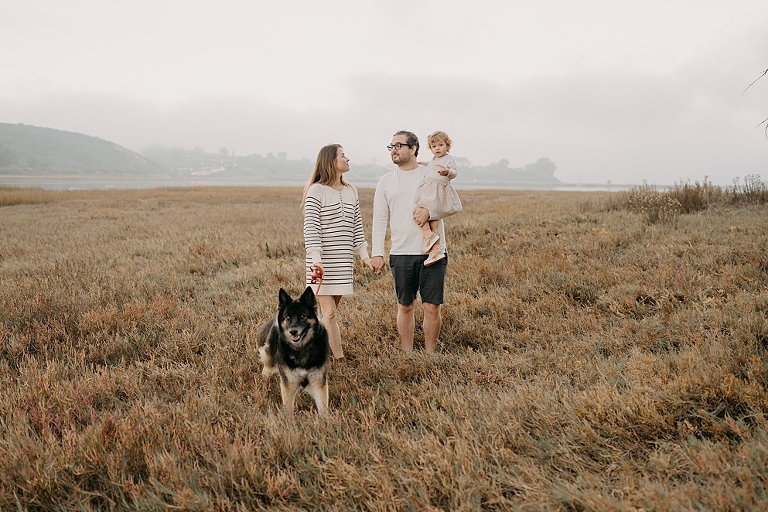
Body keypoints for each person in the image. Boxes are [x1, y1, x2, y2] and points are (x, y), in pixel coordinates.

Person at [370, 130, 448, 353]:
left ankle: (430, 354)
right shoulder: (385, 181)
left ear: (413, 149)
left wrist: (430, 212)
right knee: (405, 305)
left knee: (432, 306)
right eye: (391, 146)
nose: (393, 150)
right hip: (401, 252)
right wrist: (377, 253)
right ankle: (407, 353)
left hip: (433, 251)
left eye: (398, 145)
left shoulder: (430, 174)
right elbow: (379, 219)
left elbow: (449, 204)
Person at [303, 144, 373, 361]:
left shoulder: (352, 190)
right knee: (329, 312)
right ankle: (339, 358)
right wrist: (316, 261)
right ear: (331, 161)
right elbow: (311, 227)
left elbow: (357, 226)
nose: (347, 159)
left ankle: (313, 348)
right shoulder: (316, 190)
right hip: (320, 263)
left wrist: (365, 256)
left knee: (328, 315)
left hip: (342, 262)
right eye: (343, 155)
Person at [413, 130, 462, 266]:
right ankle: (433, 246)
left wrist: (448, 172)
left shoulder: (448, 159)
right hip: (429, 189)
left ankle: (432, 243)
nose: (437, 148)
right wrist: (422, 163)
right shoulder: (434, 159)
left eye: (440, 145)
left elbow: (454, 172)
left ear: (447, 146)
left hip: (438, 190)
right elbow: (430, 165)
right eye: (434, 147)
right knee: (425, 215)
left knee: (430, 216)